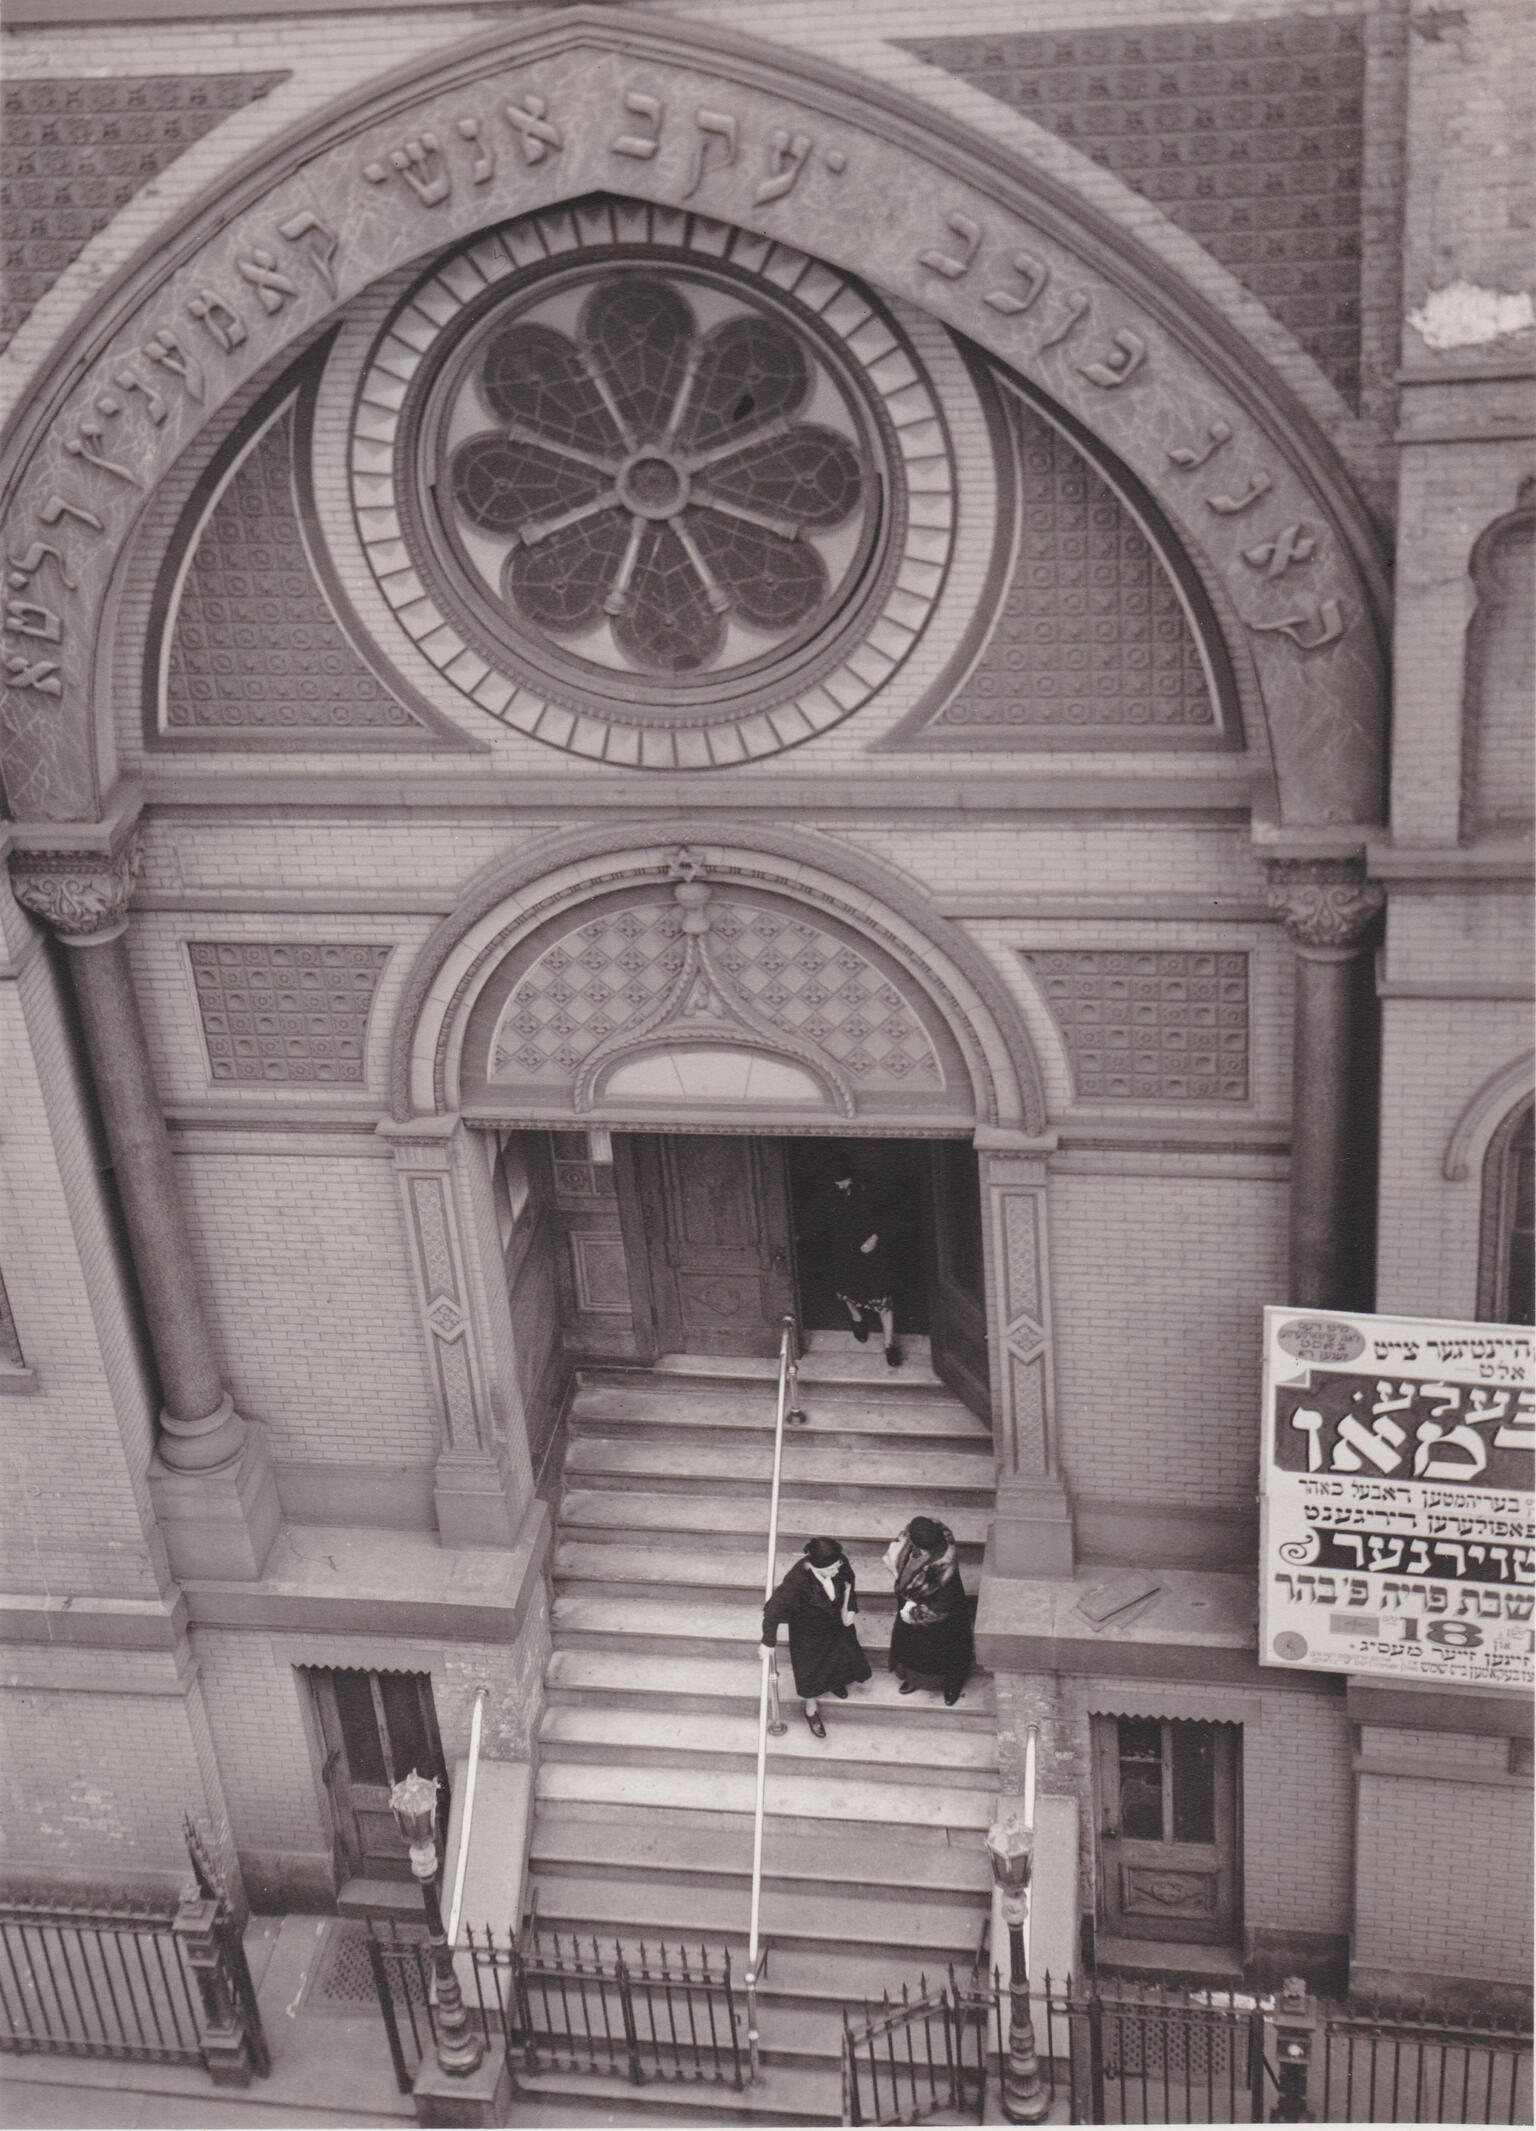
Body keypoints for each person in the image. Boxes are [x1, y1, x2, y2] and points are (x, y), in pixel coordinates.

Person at [760, 1535, 872, 1738]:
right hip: (808, 1633)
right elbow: (772, 1611)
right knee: (810, 1671)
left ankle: (837, 1682)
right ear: (814, 1567)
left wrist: (851, 1608)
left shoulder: (838, 1561)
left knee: (840, 1656)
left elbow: (849, 1582)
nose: (837, 1571)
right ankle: (810, 1710)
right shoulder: (797, 1581)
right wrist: (768, 1641)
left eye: (837, 1566)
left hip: (836, 1623)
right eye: (831, 1570)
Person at [802, 1162, 902, 1367]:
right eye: (836, 1182)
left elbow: (890, 1217)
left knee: (882, 1296)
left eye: (842, 1181)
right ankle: (857, 1319)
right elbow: (821, 1219)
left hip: (871, 1252)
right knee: (846, 1289)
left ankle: (889, 1344)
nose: (839, 1186)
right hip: (844, 1252)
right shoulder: (832, 1194)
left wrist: (876, 1237)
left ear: (851, 1176)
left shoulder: (872, 1190)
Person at [885, 1516, 973, 1707]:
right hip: (910, 1602)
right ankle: (913, 1678)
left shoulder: (942, 1566)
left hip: (938, 1613)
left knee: (945, 1650)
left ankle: (952, 1683)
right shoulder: (909, 1538)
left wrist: (915, 1613)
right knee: (910, 1646)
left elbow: (942, 1606)